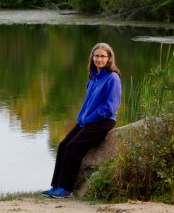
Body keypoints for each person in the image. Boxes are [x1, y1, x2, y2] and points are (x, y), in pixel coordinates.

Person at [42, 43, 122, 198]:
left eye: (102, 56)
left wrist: (89, 118)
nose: (99, 59)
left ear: (109, 58)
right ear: (92, 57)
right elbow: (88, 102)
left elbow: (110, 107)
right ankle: (56, 186)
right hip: (87, 120)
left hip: (103, 121)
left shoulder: (113, 78)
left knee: (73, 148)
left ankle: (66, 189)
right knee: (63, 145)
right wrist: (81, 118)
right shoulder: (93, 76)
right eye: (96, 56)